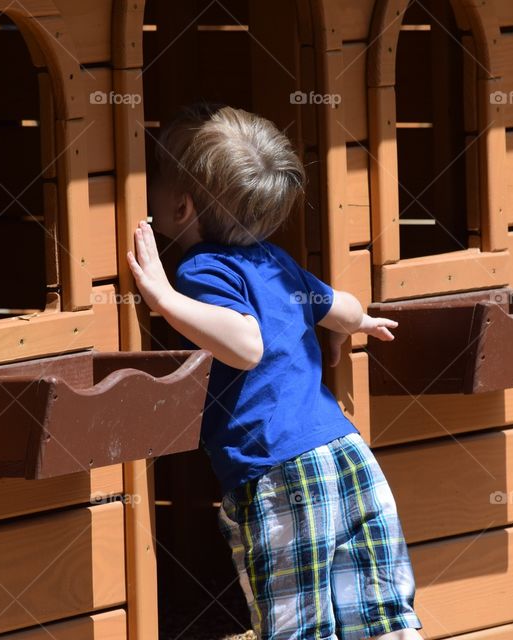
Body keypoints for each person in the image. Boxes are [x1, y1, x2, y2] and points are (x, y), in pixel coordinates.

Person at [126, 103, 423, 640]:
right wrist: (353, 324)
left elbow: (244, 345)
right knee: (379, 614)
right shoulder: (274, 261)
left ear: (180, 206)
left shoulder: (200, 269)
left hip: (279, 471)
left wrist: (164, 298)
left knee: (297, 624)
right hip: (346, 454)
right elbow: (345, 307)